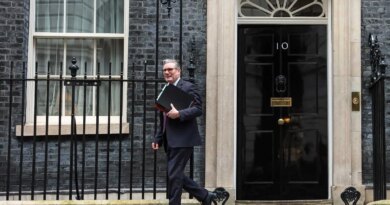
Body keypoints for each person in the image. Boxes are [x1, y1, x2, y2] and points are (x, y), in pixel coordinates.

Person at [152, 59, 217, 205]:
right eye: (165, 70)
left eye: (170, 69)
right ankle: (206, 196)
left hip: (183, 139)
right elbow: (163, 119)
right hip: (170, 140)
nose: (167, 72)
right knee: (175, 174)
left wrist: (179, 114)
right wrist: (158, 139)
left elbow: (198, 109)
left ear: (178, 71)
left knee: (174, 175)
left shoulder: (188, 87)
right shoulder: (166, 89)